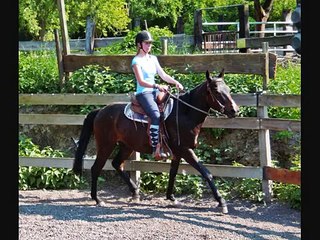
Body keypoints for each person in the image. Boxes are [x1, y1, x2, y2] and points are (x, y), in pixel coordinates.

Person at [131, 30, 184, 160]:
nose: (149, 46)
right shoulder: (136, 61)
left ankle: (169, 140)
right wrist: (157, 86)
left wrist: (175, 82)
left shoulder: (153, 59)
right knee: (155, 114)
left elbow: (163, 75)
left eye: (150, 43)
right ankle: (156, 147)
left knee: (172, 105)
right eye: (146, 43)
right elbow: (141, 81)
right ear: (139, 45)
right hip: (144, 93)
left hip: (155, 91)